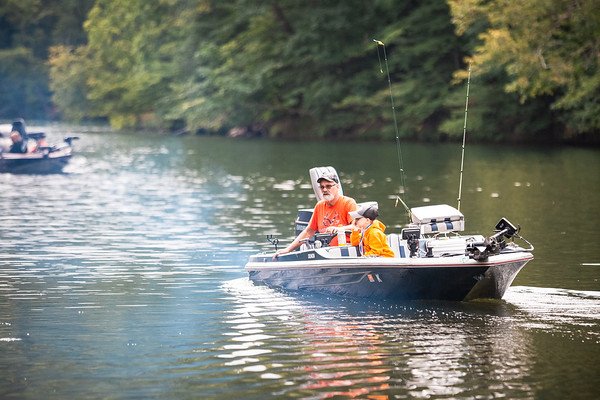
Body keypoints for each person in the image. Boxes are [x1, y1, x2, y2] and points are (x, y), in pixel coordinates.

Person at [275, 172, 357, 256]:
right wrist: (288, 249)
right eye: (322, 187)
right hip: (323, 251)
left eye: (328, 186)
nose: (324, 190)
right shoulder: (319, 206)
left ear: (337, 186)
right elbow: (309, 231)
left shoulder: (348, 203)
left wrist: (339, 229)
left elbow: (356, 227)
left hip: (344, 251)